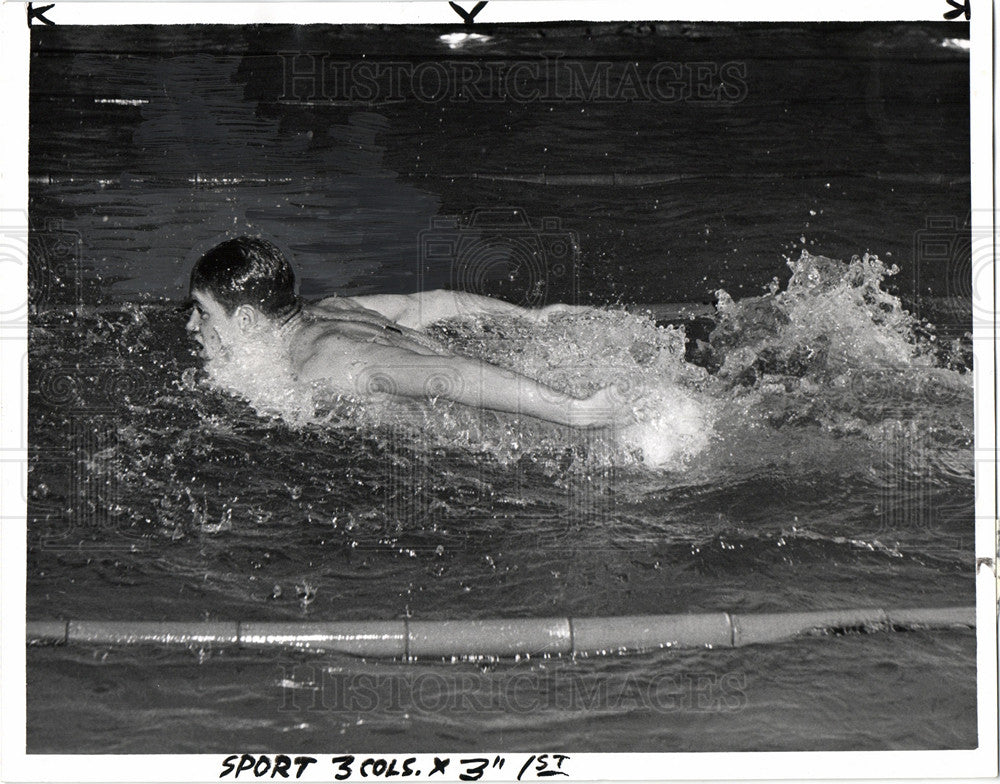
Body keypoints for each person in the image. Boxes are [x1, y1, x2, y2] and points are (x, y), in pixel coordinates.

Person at [186, 236, 629, 429]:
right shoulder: (330, 310)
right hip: (527, 384)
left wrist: (574, 412)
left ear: (244, 321)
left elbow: (453, 374)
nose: (192, 324)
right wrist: (532, 318)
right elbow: (430, 303)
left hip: (533, 426)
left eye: (202, 312)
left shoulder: (326, 363)